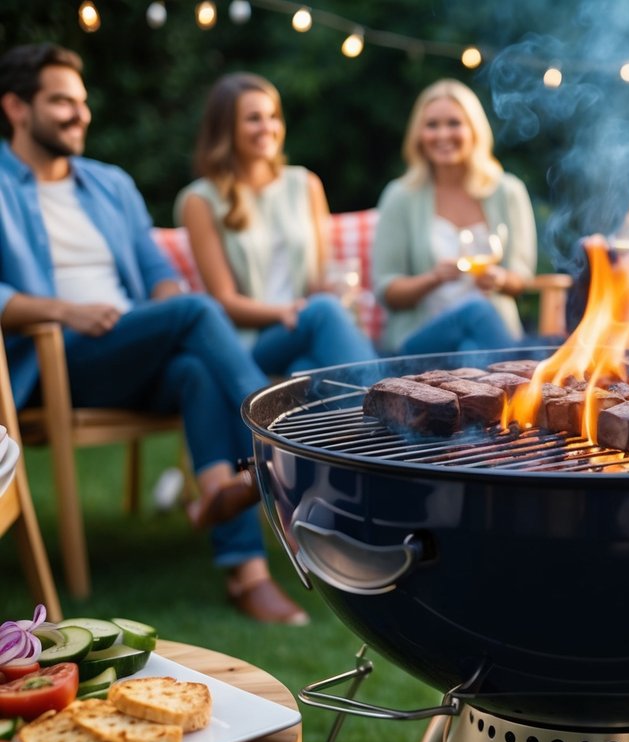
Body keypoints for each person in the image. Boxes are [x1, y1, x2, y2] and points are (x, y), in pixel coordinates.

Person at [0, 43, 307, 625]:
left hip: (129, 346)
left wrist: (165, 308)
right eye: (61, 102)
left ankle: (242, 553)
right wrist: (62, 310)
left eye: (82, 102)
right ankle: (276, 445)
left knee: (194, 363)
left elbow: (159, 277)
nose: (79, 114)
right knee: (194, 313)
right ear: (17, 107)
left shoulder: (110, 184)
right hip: (54, 358)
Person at [176, 72, 377, 373]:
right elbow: (224, 300)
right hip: (250, 342)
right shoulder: (200, 200)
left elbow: (320, 275)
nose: (267, 128)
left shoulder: (305, 184)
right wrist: (286, 311)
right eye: (254, 118)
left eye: (273, 117)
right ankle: (392, 403)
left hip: (304, 330)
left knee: (306, 368)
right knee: (321, 312)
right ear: (225, 129)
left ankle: (378, 413)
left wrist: (341, 292)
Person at [372, 78, 537, 356]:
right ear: (418, 135)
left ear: (474, 130)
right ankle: (519, 392)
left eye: (454, 123)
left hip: (489, 339)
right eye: (432, 125)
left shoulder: (508, 191)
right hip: (421, 344)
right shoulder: (400, 196)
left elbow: (522, 278)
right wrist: (433, 278)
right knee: (475, 311)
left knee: (471, 349)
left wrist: (500, 279)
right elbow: (387, 290)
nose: (443, 135)